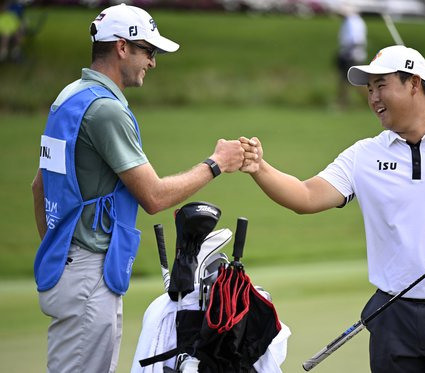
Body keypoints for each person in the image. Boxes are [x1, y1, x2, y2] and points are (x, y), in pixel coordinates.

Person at [239, 45, 425, 372]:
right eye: (369, 89)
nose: (373, 97)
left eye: (382, 85)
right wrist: (260, 168)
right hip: (392, 315)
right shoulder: (364, 156)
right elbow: (305, 196)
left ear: (414, 84)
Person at [30, 4, 257, 372]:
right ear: (122, 47)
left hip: (66, 265)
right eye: (148, 52)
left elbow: (39, 186)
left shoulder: (69, 97)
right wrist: (217, 163)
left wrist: (60, 254)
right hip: (88, 273)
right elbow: (154, 196)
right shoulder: (106, 110)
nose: (152, 62)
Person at [334, 5, 367, 109]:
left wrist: (347, 52)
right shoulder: (352, 21)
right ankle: (342, 103)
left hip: (351, 55)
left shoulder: (353, 22)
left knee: (356, 81)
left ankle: (370, 101)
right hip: (349, 53)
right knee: (343, 81)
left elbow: (355, 40)